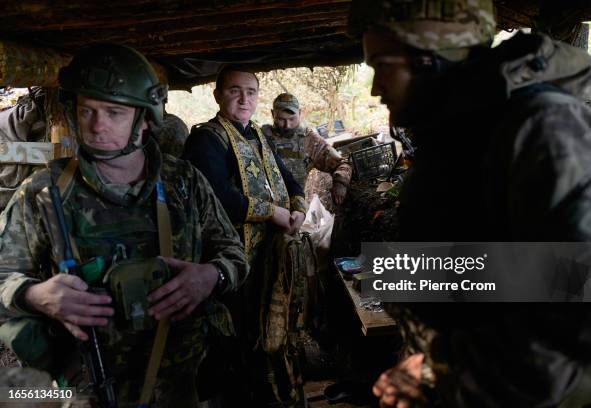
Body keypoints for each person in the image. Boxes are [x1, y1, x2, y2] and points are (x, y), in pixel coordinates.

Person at [349, 0, 591, 406]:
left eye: (382, 65)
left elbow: (589, 302)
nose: (375, 89)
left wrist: (439, 374)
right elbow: (510, 273)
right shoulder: (459, 136)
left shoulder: (543, 130)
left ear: (428, 59)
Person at [0, 44, 248, 407]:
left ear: (145, 118)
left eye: (113, 113)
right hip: (89, 387)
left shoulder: (184, 183)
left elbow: (234, 255)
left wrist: (212, 276)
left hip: (180, 382)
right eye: (87, 110)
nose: (96, 126)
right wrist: (35, 295)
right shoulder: (43, 191)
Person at [183, 65, 308, 405]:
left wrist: (297, 205)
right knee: (233, 337)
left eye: (250, 92)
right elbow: (218, 194)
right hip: (229, 258)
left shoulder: (256, 135)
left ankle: (263, 390)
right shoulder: (207, 138)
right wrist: (273, 212)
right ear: (218, 94)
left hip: (265, 255)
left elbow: (287, 178)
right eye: (234, 90)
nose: (243, 98)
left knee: (263, 327)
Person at [262, 93, 352, 207]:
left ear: (300, 113)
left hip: (293, 208)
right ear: (272, 114)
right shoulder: (261, 136)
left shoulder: (309, 140)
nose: (287, 125)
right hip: (262, 207)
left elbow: (342, 163)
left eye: (292, 119)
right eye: (281, 119)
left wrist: (340, 182)